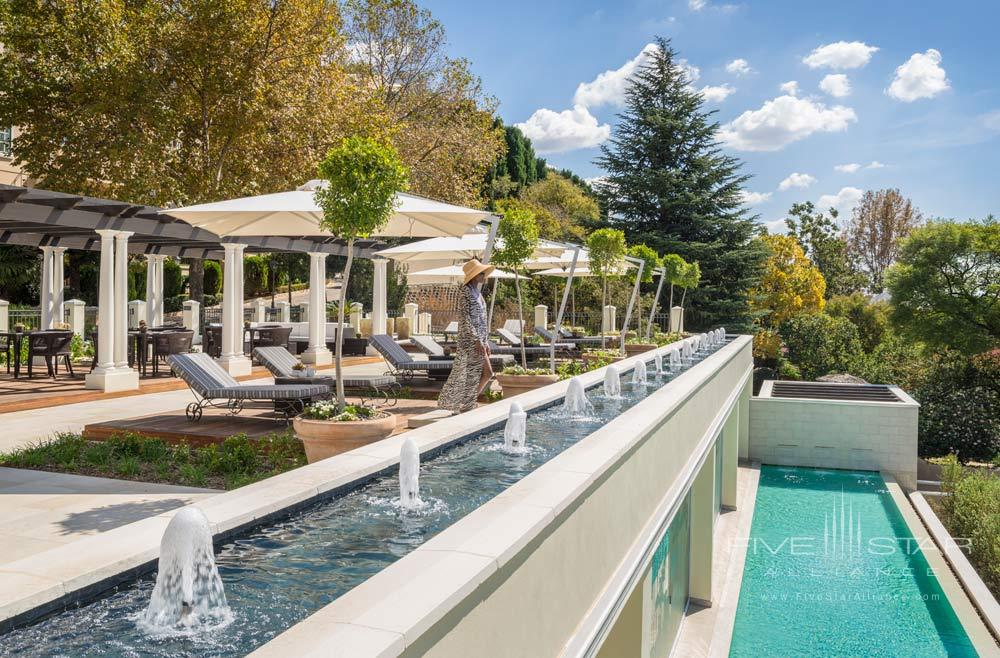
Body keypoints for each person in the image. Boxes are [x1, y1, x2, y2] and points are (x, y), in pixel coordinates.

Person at [438, 259, 494, 413]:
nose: (484, 276)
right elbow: (465, 318)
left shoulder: (478, 294)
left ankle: (466, 404)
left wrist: (486, 341)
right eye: (481, 273)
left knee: (479, 373)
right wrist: (476, 339)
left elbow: (482, 319)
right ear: (474, 275)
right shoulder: (465, 292)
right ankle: (466, 404)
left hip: (480, 340)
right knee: (479, 372)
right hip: (470, 341)